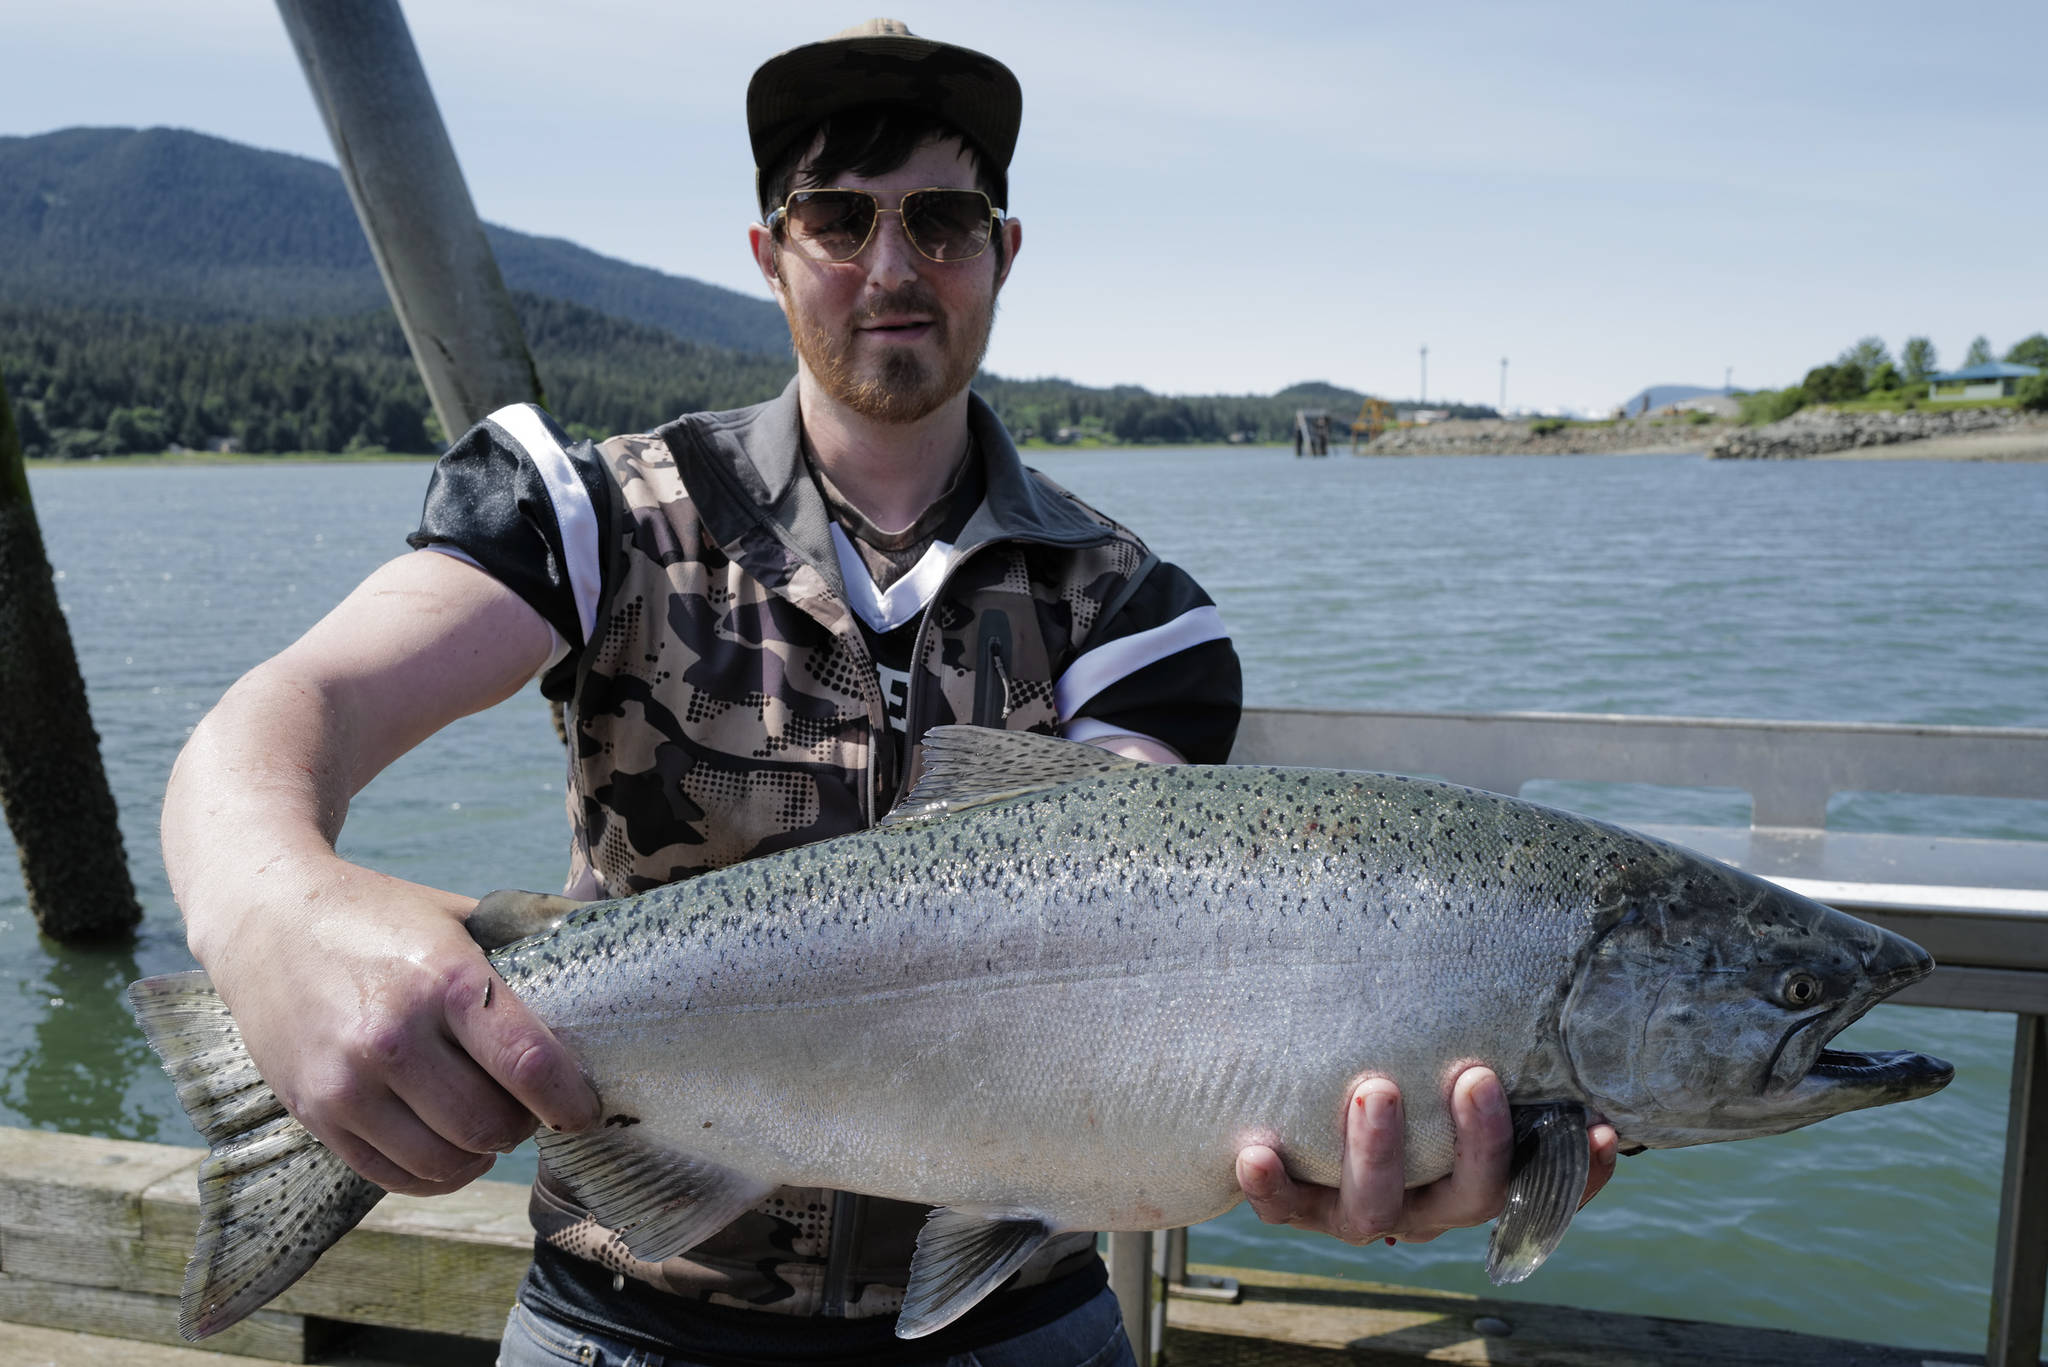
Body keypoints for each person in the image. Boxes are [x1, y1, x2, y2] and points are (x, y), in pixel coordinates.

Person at [161, 19, 1615, 1367]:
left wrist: (1353, 1114)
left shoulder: (1138, 617)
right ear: (769, 251)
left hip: (1017, 1321)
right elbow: (296, 711)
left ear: (1001, 249)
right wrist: (269, 910)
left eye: (941, 218)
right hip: (629, 1320)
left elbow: (1142, 943)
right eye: (838, 217)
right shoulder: (584, 514)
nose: (891, 263)